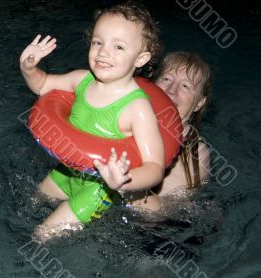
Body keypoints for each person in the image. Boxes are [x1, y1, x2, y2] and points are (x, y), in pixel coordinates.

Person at [20, 2, 164, 242]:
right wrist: (28, 66)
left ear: (140, 58)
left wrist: (123, 181)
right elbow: (42, 85)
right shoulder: (82, 80)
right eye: (98, 42)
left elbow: (155, 167)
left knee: (41, 236)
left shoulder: (137, 108)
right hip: (67, 171)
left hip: (99, 189)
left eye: (118, 46)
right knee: (31, 202)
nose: (104, 52)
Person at [97, 51, 212, 210]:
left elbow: (162, 215)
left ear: (199, 102)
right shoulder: (125, 117)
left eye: (185, 86)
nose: (171, 90)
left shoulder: (195, 153)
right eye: (166, 79)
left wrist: (124, 183)